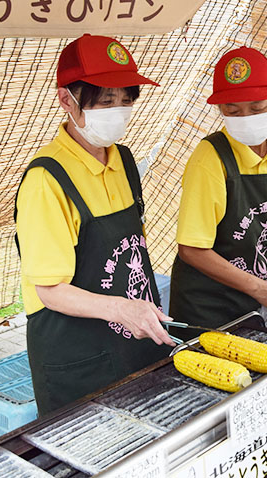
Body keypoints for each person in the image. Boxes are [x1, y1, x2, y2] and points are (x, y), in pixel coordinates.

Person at [15, 35, 174, 416]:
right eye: (105, 101)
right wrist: (122, 309)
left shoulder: (124, 160)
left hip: (136, 346)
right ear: (67, 100)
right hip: (79, 363)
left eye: (125, 100)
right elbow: (50, 290)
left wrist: (132, 311)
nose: (118, 111)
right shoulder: (47, 179)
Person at [170, 47, 267, 338]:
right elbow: (191, 248)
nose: (246, 117)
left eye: (257, 107)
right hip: (209, 309)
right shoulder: (211, 158)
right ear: (220, 110)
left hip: (262, 299)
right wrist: (261, 289)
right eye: (233, 110)